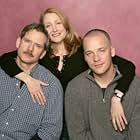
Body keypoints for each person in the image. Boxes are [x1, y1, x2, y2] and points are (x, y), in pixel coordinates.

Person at [0, 8, 135, 139]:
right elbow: (6, 59)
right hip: (49, 118)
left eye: (58, 23)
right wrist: (28, 79)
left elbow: (128, 67)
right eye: (48, 25)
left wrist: (116, 97)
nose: (54, 29)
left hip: (78, 118)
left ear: (66, 25)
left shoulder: (84, 50)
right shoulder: (40, 53)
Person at [65, 29, 140, 140]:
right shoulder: (74, 88)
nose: (96, 58)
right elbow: (77, 136)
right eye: (89, 53)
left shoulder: (136, 86)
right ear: (84, 57)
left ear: (112, 52)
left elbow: (136, 135)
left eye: (101, 50)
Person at [0, 23, 63, 140]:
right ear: (18, 42)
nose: (30, 49)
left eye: (38, 46)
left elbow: (51, 132)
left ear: (43, 54)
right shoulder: (2, 68)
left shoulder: (52, 85)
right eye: (27, 41)